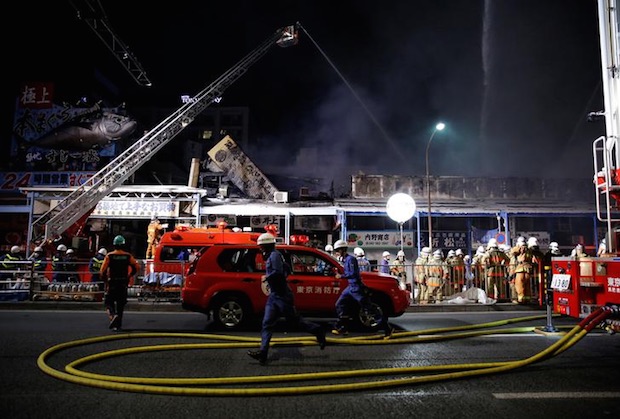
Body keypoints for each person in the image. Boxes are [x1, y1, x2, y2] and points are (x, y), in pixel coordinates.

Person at [247, 233, 326, 365]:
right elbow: (286, 270)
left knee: (295, 322)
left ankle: (317, 330)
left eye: (261, 247)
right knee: (267, 324)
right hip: (275, 295)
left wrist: (268, 277)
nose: (260, 249)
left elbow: (278, 272)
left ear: (266, 246)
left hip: (282, 296)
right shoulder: (274, 256)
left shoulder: (275, 256)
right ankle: (263, 353)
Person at [331, 239, 393, 338]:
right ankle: (343, 327)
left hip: (356, 288)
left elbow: (353, 274)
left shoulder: (351, 259)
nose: (337, 252)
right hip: (350, 288)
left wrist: (341, 276)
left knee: (368, 310)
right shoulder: (345, 260)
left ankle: (387, 329)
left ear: (343, 249)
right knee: (340, 304)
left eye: (338, 250)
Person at [100, 235, 140, 331]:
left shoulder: (109, 256)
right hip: (123, 282)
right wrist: (129, 275)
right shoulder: (128, 256)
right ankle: (118, 325)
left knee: (109, 302)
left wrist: (105, 280)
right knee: (120, 304)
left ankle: (113, 317)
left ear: (114, 245)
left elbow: (102, 271)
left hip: (112, 282)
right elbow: (136, 267)